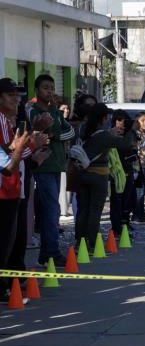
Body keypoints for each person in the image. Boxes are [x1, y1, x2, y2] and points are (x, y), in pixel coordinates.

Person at [0, 78, 47, 300]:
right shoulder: (1, 121)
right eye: (11, 95)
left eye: (18, 96)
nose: (16, 100)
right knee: (6, 243)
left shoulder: (8, 122)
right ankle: (7, 285)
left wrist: (31, 142)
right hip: (5, 190)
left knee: (14, 240)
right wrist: (30, 145)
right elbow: (9, 162)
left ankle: (12, 282)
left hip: (13, 189)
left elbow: (15, 156)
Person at [74, 104, 135, 250]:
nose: (108, 119)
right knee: (95, 210)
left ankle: (80, 242)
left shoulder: (82, 129)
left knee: (83, 209)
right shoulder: (103, 135)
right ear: (102, 118)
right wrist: (131, 129)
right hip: (99, 175)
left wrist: (110, 132)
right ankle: (92, 243)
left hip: (81, 173)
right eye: (106, 117)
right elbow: (125, 144)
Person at [29, 74, 75, 266]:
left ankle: (49, 252)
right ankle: (51, 253)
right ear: (37, 91)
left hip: (56, 165)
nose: (50, 91)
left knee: (52, 210)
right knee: (51, 210)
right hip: (43, 167)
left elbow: (70, 131)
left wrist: (54, 135)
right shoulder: (33, 112)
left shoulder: (55, 111)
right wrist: (54, 135)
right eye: (46, 87)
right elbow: (39, 134)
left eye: (52, 87)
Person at [108, 109, 138, 238]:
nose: (121, 124)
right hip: (116, 172)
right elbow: (124, 145)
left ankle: (124, 223)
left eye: (123, 121)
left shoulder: (128, 133)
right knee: (117, 202)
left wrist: (131, 132)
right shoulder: (110, 134)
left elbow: (132, 145)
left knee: (130, 200)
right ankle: (117, 228)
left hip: (128, 169)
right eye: (118, 120)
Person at [132, 112, 145, 222]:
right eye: (143, 120)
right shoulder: (136, 134)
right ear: (137, 122)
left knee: (143, 191)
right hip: (138, 166)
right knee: (138, 191)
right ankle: (136, 214)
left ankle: (142, 213)